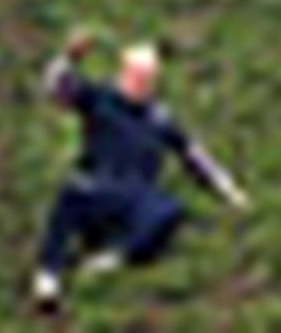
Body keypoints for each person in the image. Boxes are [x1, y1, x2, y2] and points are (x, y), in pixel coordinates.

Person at [31, 31, 251, 313]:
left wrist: (228, 191)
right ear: (123, 72)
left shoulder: (158, 117)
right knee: (69, 198)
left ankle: (116, 255)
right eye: (135, 75)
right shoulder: (99, 98)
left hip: (134, 195)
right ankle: (48, 276)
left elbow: (193, 155)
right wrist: (69, 57)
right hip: (95, 186)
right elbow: (54, 87)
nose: (140, 83)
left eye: (147, 78)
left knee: (168, 210)